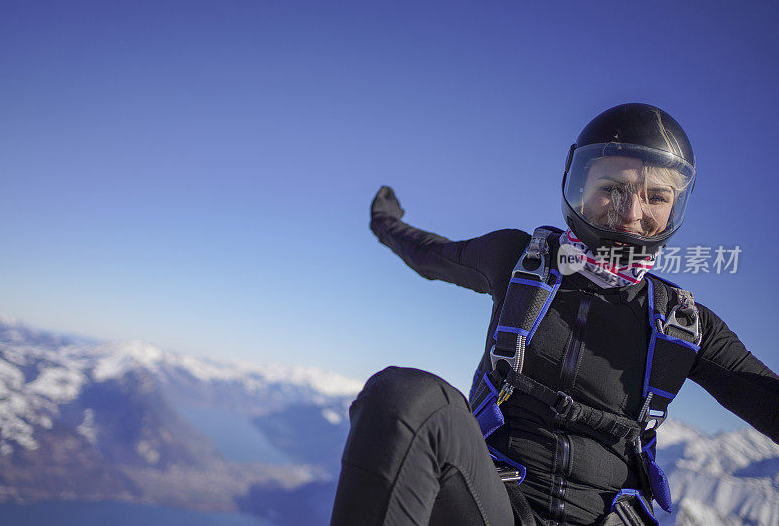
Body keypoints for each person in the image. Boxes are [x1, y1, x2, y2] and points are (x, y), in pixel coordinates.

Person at [330, 103, 779, 526]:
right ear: (579, 187)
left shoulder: (686, 326)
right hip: (493, 503)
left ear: (674, 207)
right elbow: (428, 253)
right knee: (407, 400)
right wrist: (384, 222)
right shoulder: (519, 261)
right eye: (613, 189)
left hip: (607, 518)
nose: (632, 213)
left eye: (657, 197)